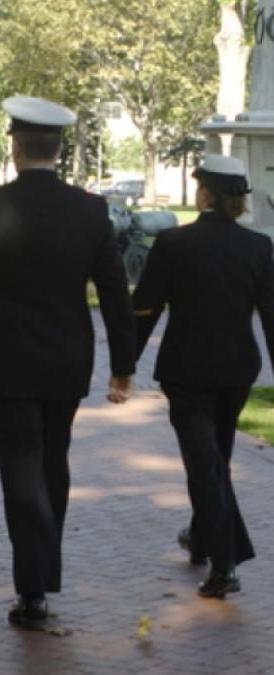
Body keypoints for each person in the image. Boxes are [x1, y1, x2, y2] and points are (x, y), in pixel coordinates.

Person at [0, 96, 136, 631]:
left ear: (16, 144)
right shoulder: (90, 210)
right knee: (54, 464)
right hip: (68, 357)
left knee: (21, 472)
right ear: (60, 148)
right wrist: (124, 364)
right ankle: (41, 577)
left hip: (8, 358)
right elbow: (115, 292)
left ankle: (32, 588)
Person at [132, 154, 271, 598]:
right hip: (236, 371)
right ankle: (200, 537)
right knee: (216, 458)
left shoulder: (173, 243)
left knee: (204, 463)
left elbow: (146, 308)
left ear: (205, 193)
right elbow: (271, 318)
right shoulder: (260, 247)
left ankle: (224, 564)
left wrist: (124, 362)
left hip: (186, 371)